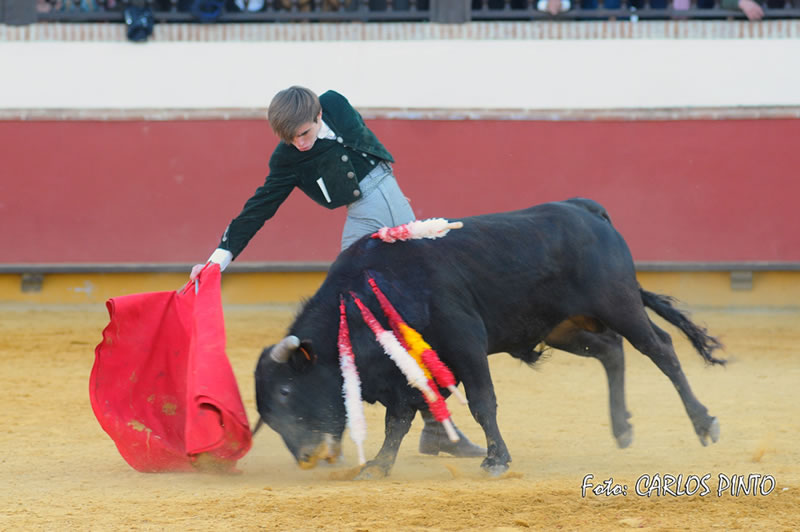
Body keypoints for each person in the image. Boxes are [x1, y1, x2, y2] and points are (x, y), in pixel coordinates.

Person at [190, 86, 485, 458]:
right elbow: (259, 207)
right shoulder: (289, 158)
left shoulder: (334, 103)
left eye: (305, 134)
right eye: (290, 138)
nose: (299, 144)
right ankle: (375, 425)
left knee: (381, 319)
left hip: (388, 204)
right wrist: (218, 260)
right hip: (367, 213)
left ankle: (412, 424)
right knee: (361, 318)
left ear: (318, 117)